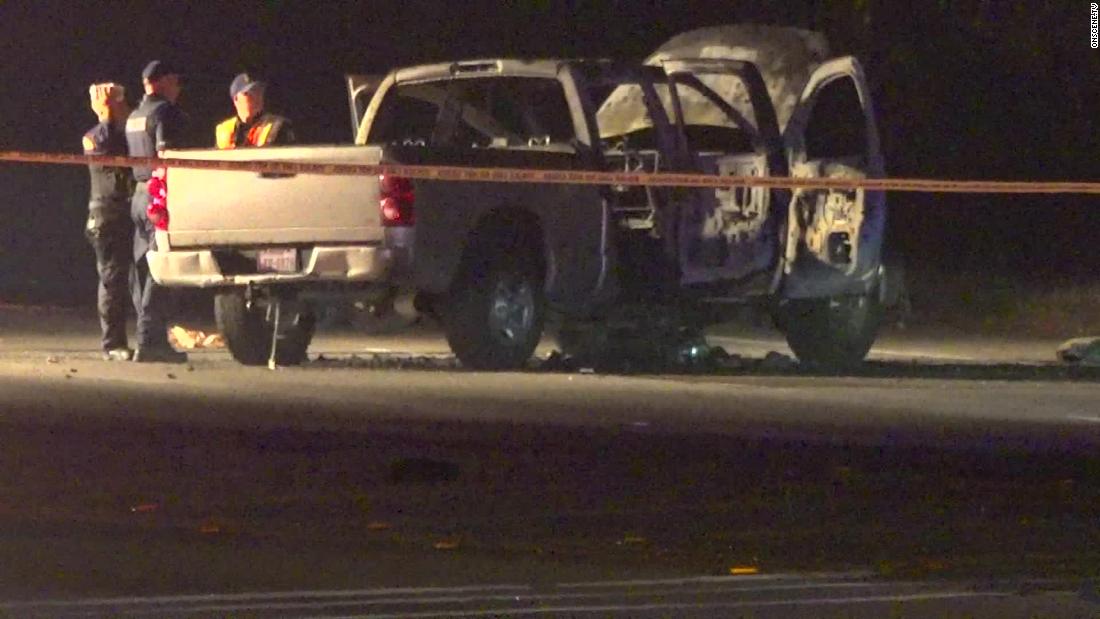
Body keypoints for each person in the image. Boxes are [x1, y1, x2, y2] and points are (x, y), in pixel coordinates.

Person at [125, 60, 188, 363]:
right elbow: (168, 156)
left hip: (137, 194)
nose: (178, 89)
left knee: (140, 266)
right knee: (157, 267)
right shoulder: (165, 112)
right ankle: (150, 340)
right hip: (157, 193)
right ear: (163, 82)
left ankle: (147, 335)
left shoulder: (135, 115)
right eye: (175, 82)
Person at [83, 83, 135, 361]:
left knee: (135, 279)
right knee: (112, 279)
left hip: (127, 212)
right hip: (106, 216)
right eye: (119, 103)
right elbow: (104, 141)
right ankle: (112, 344)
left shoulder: (128, 133)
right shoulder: (95, 137)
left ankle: (150, 338)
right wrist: (106, 113)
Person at [215, 73, 294, 148]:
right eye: (248, 93)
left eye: (259, 91)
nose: (256, 96)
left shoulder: (278, 127)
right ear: (236, 99)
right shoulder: (224, 130)